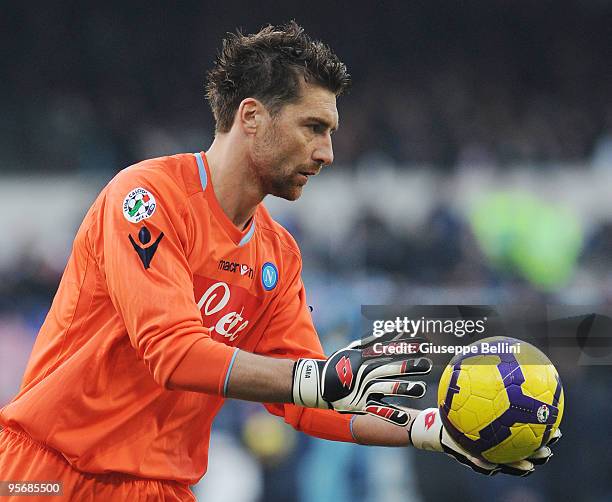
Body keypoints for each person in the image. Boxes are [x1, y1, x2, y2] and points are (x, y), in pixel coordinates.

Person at [0, 22, 557, 501]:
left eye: (331, 132)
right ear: (252, 117)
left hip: (158, 487)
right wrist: (316, 379)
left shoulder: (278, 255)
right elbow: (173, 354)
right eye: (314, 127)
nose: (328, 153)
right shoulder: (145, 198)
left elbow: (308, 404)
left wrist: (430, 428)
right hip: (48, 473)